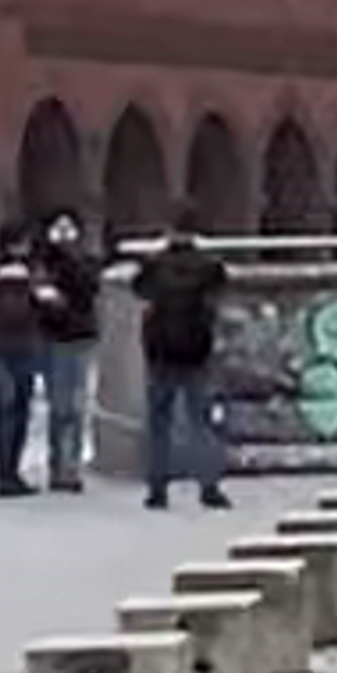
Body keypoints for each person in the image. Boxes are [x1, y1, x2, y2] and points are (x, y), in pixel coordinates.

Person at [133, 217, 229, 510]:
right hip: (196, 352)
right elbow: (220, 293)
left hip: (161, 353)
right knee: (201, 423)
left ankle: (157, 488)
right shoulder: (210, 266)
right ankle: (209, 486)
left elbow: (138, 290)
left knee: (159, 423)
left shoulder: (154, 265)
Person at [28, 211, 102, 494]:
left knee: (75, 405)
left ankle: (70, 466)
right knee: (62, 407)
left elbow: (89, 286)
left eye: (68, 228)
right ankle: (60, 466)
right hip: (55, 339)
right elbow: (40, 299)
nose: (64, 234)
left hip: (78, 337)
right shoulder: (44, 262)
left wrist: (72, 258)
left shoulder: (80, 262)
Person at [0, 218, 44, 495]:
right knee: (5, 406)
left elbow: (44, 291)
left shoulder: (33, 267)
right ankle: (4, 472)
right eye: (21, 242)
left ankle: (12, 469)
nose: (24, 248)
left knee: (20, 409)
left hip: (25, 345)